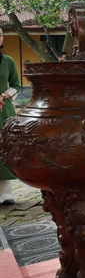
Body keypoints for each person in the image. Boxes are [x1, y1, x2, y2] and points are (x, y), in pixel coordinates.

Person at [0, 27, 21, 205]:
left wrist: (3, 96)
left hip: (3, 109)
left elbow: (16, 85)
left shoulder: (8, 61)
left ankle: (5, 194)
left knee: (5, 148)